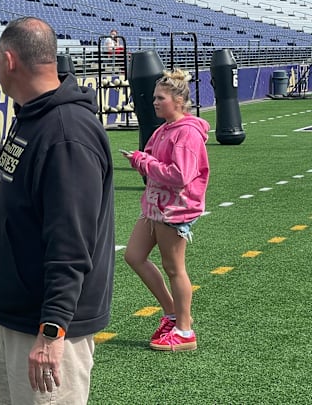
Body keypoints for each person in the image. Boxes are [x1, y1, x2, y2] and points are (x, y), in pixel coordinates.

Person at [0, 17, 115, 404]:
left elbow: (71, 243)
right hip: (19, 315)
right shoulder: (37, 116)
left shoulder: (65, 132)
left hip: (45, 325)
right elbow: (29, 173)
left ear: (8, 61)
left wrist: (53, 329)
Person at [122, 69, 210, 352]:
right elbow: (153, 160)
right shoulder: (164, 129)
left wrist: (142, 163)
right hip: (156, 205)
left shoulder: (186, 133)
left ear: (178, 101)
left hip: (175, 209)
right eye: (154, 98)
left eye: (160, 98)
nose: (155, 102)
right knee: (134, 256)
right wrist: (143, 160)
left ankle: (184, 332)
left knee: (175, 269)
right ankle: (173, 314)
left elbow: (180, 176)